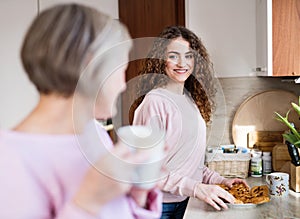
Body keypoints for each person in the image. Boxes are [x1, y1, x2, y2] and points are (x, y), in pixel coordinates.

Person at [0, 3, 162, 219]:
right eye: (121, 70)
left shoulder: (95, 134)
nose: (123, 85)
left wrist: (138, 191)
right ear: (91, 64)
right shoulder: (9, 161)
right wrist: (87, 203)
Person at [130, 26, 247, 218]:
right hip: (159, 205)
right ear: (161, 60)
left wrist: (220, 180)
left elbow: (190, 163)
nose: (182, 63)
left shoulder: (189, 100)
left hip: (184, 202)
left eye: (189, 55)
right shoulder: (154, 102)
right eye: (173, 56)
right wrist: (196, 189)